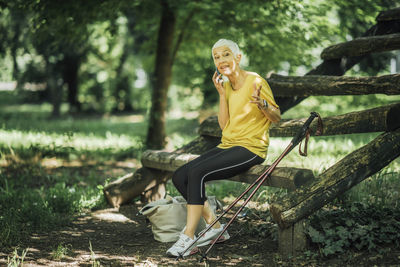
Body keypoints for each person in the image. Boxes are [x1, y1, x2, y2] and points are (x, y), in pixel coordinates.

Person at [166, 39, 281, 257]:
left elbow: (276, 116)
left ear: (238, 57)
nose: (221, 60)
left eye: (225, 55)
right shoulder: (226, 85)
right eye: (216, 57)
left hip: (251, 148)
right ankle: (215, 226)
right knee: (180, 176)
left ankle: (189, 237)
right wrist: (221, 94)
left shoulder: (255, 80)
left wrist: (263, 105)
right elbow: (224, 126)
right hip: (229, 144)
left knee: (197, 172)